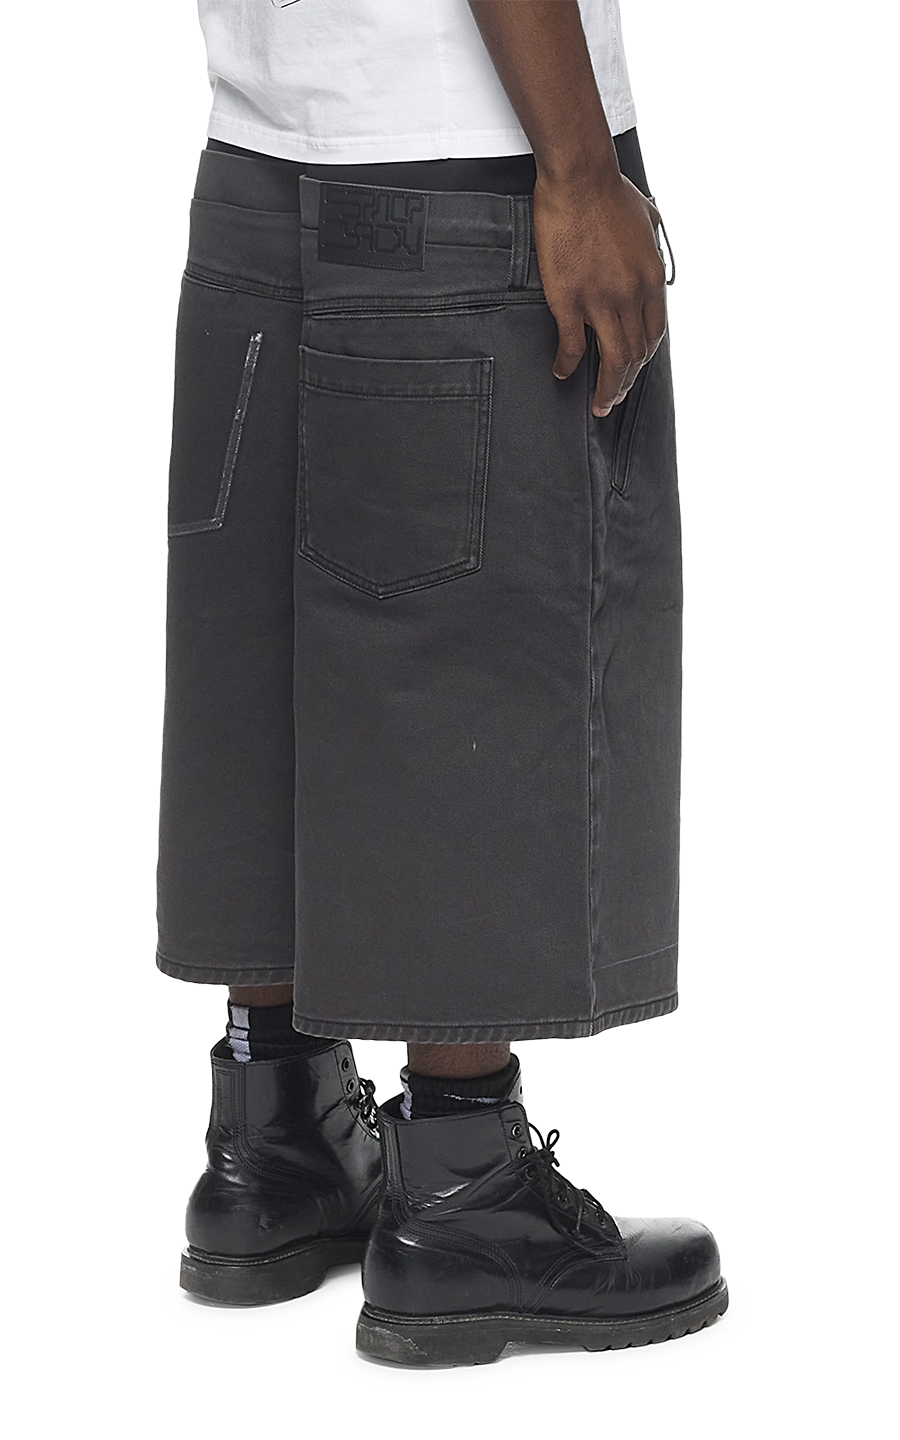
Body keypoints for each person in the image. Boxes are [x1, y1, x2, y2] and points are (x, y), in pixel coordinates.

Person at [157, 0, 728, 1368]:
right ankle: (469, 1191)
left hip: (264, 145)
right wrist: (579, 168)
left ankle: (279, 1143)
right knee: (474, 653)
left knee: (274, 635)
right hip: (468, 152)